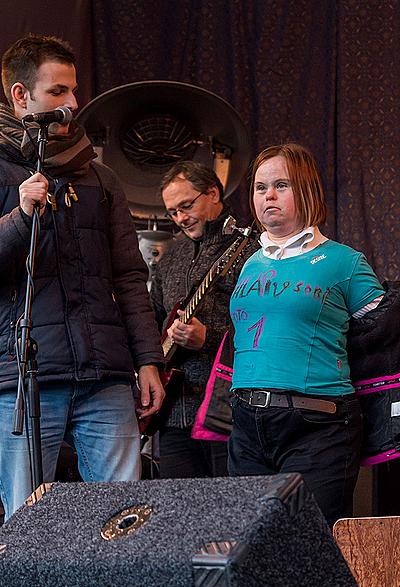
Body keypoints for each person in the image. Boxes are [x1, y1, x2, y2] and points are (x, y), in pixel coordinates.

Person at [0, 34, 164, 520]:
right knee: (28, 523)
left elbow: (130, 277)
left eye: (73, 91)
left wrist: (148, 360)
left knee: (126, 517)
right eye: (57, 93)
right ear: (19, 96)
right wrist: (19, 218)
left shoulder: (99, 176)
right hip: (24, 380)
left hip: (104, 375)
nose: (72, 103)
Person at [228, 143, 384, 527]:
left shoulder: (344, 262)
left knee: (310, 548)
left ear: (308, 190)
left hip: (317, 425)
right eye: (260, 187)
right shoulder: (248, 262)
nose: (268, 195)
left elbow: (383, 339)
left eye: (281, 184)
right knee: (249, 549)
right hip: (248, 425)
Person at [150, 161, 257, 478]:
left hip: (227, 410)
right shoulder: (171, 254)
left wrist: (208, 338)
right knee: (181, 514)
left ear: (213, 193)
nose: (180, 218)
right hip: (173, 412)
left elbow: (262, 332)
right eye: (173, 212)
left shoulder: (249, 249)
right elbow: (153, 318)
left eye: (186, 205)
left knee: (229, 511)